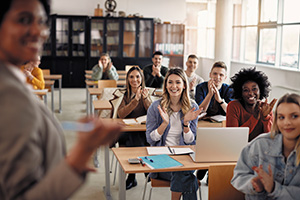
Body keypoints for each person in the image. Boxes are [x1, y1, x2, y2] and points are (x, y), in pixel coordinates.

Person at [0, 0, 122, 199]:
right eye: (23, 20)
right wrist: (81, 154)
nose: (38, 31)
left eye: (41, 21)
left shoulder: (11, 81)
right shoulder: (8, 96)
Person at [146, 67, 202, 200]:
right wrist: (164, 124)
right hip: (161, 160)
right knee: (188, 178)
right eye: (170, 82)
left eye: (178, 82)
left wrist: (186, 124)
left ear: (184, 85)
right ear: (165, 85)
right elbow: (150, 139)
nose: (174, 86)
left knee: (182, 172)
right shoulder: (155, 107)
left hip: (185, 159)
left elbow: (191, 142)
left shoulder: (192, 107)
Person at [231, 93, 300, 199]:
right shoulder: (260, 144)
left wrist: (273, 188)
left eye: (294, 116)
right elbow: (238, 176)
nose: (287, 122)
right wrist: (253, 184)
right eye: (281, 117)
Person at [117, 66, 152, 190]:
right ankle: (145, 172)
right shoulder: (124, 94)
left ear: (142, 79)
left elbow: (152, 112)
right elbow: (121, 114)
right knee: (135, 140)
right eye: (131, 77)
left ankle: (132, 177)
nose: (134, 80)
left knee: (138, 139)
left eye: (137, 76)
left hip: (141, 130)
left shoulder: (145, 93)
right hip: (127, 131)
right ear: (127, 79)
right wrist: (135, 101)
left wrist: (145, 98)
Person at [227, 67, 277, 141]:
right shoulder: (233, 106)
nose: (250, 93)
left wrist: (265, 118)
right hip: (239, 148)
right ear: (240, 92)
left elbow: (271, 139)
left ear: (260, 90)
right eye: (246, 90)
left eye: (254, 89)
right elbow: (233, 137)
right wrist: (254, 117)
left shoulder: (266, 108)